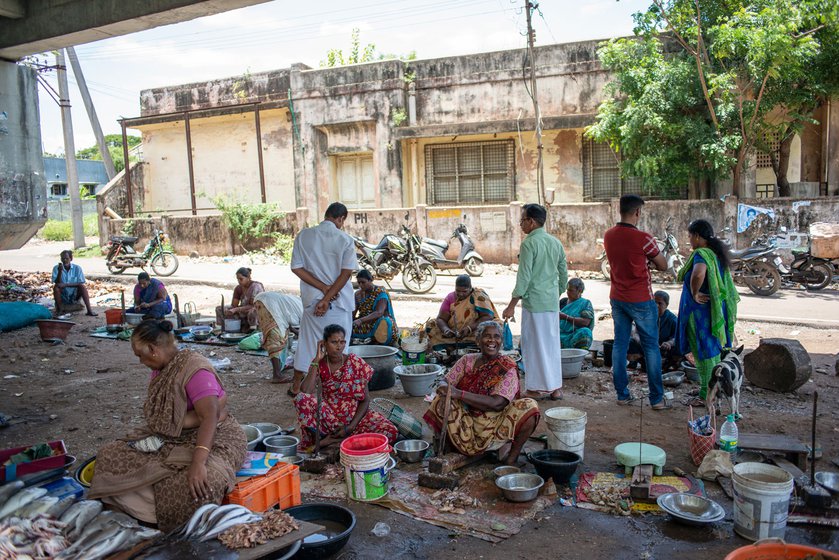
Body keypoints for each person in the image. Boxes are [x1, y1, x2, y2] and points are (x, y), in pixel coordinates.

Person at [87, 320, 246, 531]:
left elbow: (210, 417)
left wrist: (198, 463)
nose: (140, 361)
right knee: (109, 455)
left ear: (153, 350)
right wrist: (186, 422)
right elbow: (185, 415)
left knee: (202, 482)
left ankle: (174, 531)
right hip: (172, 435)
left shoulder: (194, 370)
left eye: (139, 355)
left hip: (213, 435)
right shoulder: (164, 367)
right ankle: (132, 516)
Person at [423, 321, 540, 466]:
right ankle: (450, 449)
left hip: (497, 422)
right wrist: (443, 388)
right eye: (487, 336)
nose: (492, 340)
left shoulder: (507, 366)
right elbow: (445, 381)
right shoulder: (467, 361)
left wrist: (459, 394)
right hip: (466, 421)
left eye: (496, 337)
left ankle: (511, 459)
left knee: (530, 406)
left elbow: (497, 403)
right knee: (440, 401)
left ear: (501, 342)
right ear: (478, 341)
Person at [603, 194, 669, 409]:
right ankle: (657, 399)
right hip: (641, 299)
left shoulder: (608, 236)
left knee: (620, 344)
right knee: (651, 347)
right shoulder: (644, 238)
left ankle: (622, 394)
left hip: (618, 297)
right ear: (638, 212)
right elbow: (663, 265)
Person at [294, 324, 397, 452]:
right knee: (301, 399)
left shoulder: (355, 362)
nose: (339, 346)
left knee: (390, 431)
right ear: (324, 344)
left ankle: (337, 441)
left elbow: (365, 400)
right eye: (334, 342)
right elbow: (305, 390)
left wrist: (350, 427)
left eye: (342, 342)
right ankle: (347, 442)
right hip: (330, 420)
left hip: (355, 421)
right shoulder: (320, 364)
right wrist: (316, 359)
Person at [290, 202, 357, 397]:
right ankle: (334, 390)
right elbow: (345, 274)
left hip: (312, 300)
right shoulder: (345, 239)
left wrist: (322, 290)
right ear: (341, 218)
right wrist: (327, 297)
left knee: (307, 344)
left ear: (326, 215)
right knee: (338, 346)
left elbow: (296, 268)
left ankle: (296, 386)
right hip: (339, 303)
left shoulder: (304, 236)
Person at [502, 203, 567, 401]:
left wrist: (511, 305)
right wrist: (555, 293)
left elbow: (524, 278)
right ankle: (555, 388)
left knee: (534, 346)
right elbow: (563, 275)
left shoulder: (529, 244)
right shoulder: (555, 243)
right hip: (550, 302)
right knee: (552, 345)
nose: (521, 224)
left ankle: (535, 389)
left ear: (531, 221)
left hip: (534, 304)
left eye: (522, 220)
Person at [675, 219, 740, 407]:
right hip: (713, 311)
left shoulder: (701, 255)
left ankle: (707, 394)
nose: (689, 240)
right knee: (710, 351)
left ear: (697, 236)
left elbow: (698, 274)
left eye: (690, 236)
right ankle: (707, 387)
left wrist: (695, 293)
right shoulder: (716, 254)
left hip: (699, 313)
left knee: (704, 353)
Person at [426, 274, 499, 350]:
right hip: (454, 333)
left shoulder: (478, 295)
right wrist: (446, 330)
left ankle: (462, 345)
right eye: (458, 291)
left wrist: (469, 328)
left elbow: (488, 317)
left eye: (464, 291)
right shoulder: (450, 297)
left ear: (470, 288)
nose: (461, 294)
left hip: (474, 332)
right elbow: (441, 318)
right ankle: (451, 345)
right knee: (431, 325)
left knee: (498, 325)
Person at [254, 292, 303, 383]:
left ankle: (281, 367)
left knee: (279, 335)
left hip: (262, 300)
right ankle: (277, 375)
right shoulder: (305, 308)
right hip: (268, 303)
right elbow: (305, 333)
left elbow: (290, 326)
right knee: (276, 337)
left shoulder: (296, 301)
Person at [627, 290, 680, 372]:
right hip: (646, 348)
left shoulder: (672, 319)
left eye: (660, 303)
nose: (656, 305)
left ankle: (668, 365)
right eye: (654, 302)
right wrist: (640, 340)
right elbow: (635, 332)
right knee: (630, 342)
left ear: (666, 305)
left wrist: (669, 343)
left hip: (664, 350)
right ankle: (641, 362)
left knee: (681, 346)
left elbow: (677, 336)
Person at [352, 269, 398, 345]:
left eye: (363, 282)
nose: (360, 285)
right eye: (359, 282)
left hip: (378, 322)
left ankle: (376, 341)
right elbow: (353, 312)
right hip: (365, 325)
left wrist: (360, 320)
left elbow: (379, 312)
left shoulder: (380, 292)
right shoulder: (357, 294)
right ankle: (368, 340)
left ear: (371, 280)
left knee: (385, 322)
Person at [215, 267, 264, 331]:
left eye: (241, 279)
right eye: (237, 279)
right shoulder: (238, 288)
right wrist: (229, 311)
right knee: (219, 309)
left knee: (253, 312)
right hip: (243, 312)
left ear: (248, 278)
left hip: (256, 312)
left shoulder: (256, 287)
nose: (239, 281)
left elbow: (253, 305)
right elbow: (234, 305)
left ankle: (253, 330)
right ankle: (219, 330)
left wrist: (236, 309)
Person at [51, 250, 96, 316]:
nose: (65, 260)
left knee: (82, 287)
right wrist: (60, 271)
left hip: (74, 295)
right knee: (56, 287)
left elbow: (80, 282)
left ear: (71, 259)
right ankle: (60, 310)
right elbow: (57, 283)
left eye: (67, 258)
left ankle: (89, 310)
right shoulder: (56, 268)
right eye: (63, 259)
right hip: (63, 295)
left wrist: (65, 285)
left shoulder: (77, 268)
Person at [559, 278, 595, 350]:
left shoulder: (585, 303)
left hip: (574, 336)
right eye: (567, 290)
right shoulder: (563, 302)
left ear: (580, 291)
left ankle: (580, 355)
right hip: (560, 335)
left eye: (571, 290)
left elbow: (586, 322)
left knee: (585, 332)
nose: (568, 292)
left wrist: (566, 317)